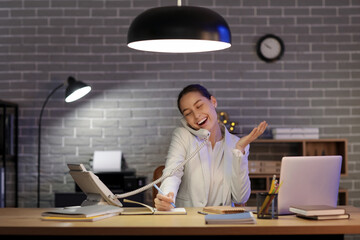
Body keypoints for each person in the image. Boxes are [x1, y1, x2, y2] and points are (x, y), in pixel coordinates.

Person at [154, 84, 268, 211]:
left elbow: (240, 198)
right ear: (185, 120)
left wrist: (239, 150)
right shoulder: (183, 136)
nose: (196, 115)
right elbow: (172, 174)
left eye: (199, 106)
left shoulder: (236, 143)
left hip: (222, 223)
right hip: (191, 221)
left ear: (213, 102)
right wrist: (167, 196)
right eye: (188, 113)